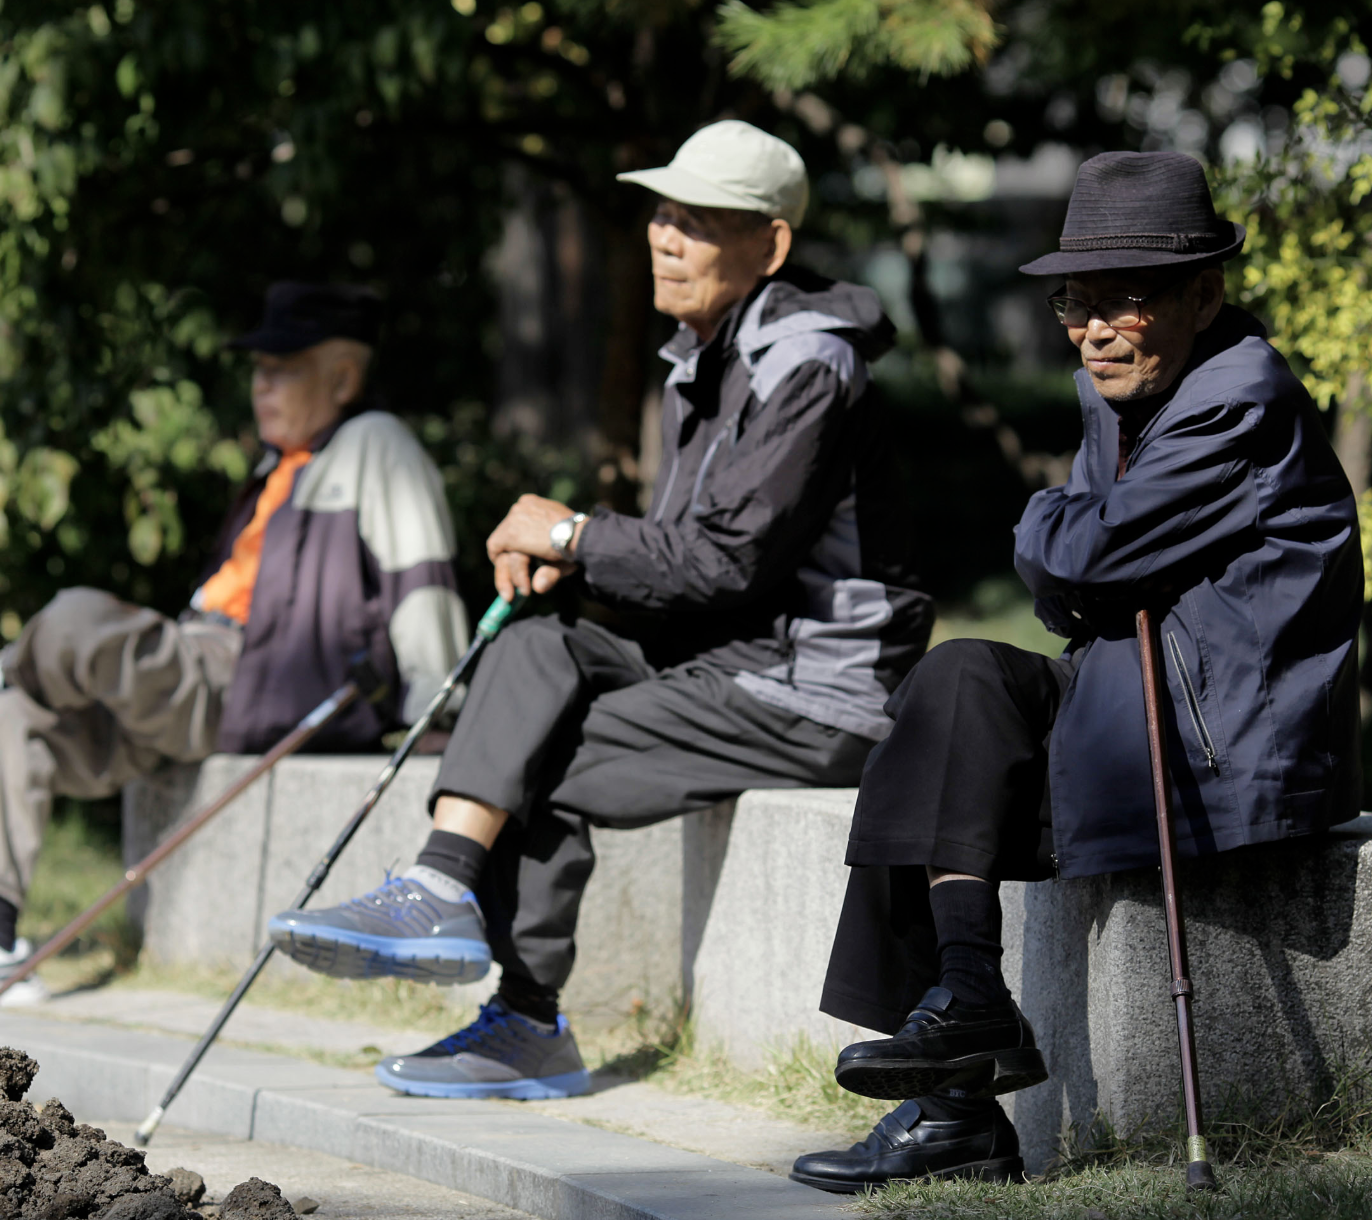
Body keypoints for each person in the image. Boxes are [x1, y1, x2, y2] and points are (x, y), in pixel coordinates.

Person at [268, 119, 935, 1100]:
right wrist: (570, 571)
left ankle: (525, 1016)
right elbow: (690, 571)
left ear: (770, 245)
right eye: (663, 213)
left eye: (699, 221)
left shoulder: (806, 365)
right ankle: (441, 883)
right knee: (537, 645)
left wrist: (574, 534)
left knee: (529, 752)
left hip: (819, 688)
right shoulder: (706, 355)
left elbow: (725, 563)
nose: (665, 236)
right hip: (732, 658)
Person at [788, 151, 1363, 1193]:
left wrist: (1055, 526)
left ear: (1202, 295)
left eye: (1122, 300)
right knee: (953, 683)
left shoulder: (1237, 396)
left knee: (954, 759)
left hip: (1217, 750)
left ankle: (952, 1097)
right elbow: (1075, 590)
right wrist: (1079, 549)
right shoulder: (1126, 393)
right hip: (1124, 700)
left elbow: (1077, 559)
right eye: (1074, 302)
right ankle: (965, 1031)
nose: (1092, 329)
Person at [0, 283, 469, 1009]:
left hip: (256, 679)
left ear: (343, 378)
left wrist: (438, 705)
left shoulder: (375, 444)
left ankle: (2, 674)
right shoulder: (280, 465)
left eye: (283, 369)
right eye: (258, 370)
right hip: (200, 667)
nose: (261, 385)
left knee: (77, 617)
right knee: (15, 722)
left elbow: (420, 577)